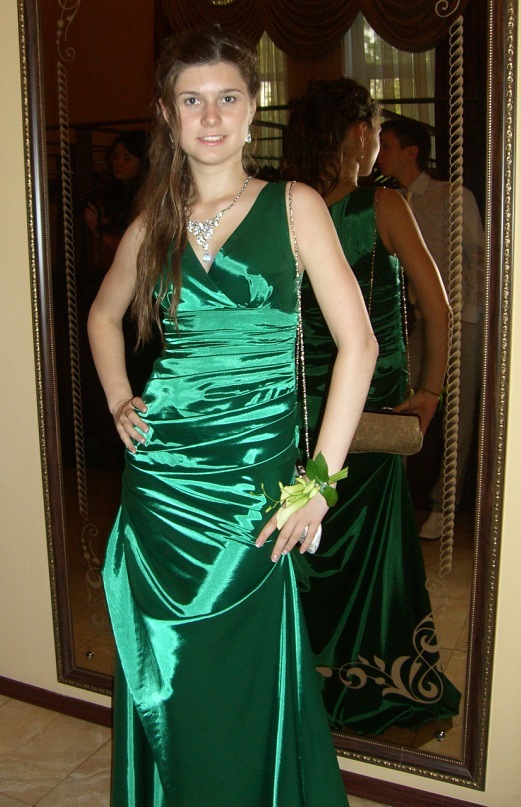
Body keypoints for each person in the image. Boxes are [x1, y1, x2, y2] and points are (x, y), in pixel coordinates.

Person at [88, 27, 378, 806]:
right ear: (167, 115)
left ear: (254, 109)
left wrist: (317, 483)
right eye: (191, 101)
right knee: (164, 666)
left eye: (226, 98)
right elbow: (102, 315)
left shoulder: (295, 205)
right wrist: (118, 395)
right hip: (161, 481)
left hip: (253, 483)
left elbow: (359, 345)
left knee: (238, 666)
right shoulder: (153, 221)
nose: (210, 116)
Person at [282, 78, 461, 735]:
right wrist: (430, 392)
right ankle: (377, 682)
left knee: (305, 544)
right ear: (357, 132)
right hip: (373, 410)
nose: (378, 144)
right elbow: (437, 308)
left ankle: (301, 677)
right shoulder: (381, 204)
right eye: (377, 131)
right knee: (372, 552)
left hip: (302, 412)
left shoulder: (284, 208)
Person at [378, 118, 485, 539]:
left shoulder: (452, 196)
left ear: (412, 152)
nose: (380, 153)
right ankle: (397, 498)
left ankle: (445, 506)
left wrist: (468, 315)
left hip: (462, 320)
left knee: (457, 414)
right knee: (404, 404)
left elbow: (479, 257)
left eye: (387, 144)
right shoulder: (389, 200)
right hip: (418, 321)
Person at [82, 129, 148, 272]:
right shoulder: (116, 192)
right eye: (116, 157)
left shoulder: (145, 197)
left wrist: (98, 231)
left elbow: (135, 249)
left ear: (142, 163)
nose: (118, 163)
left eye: (126, 159)